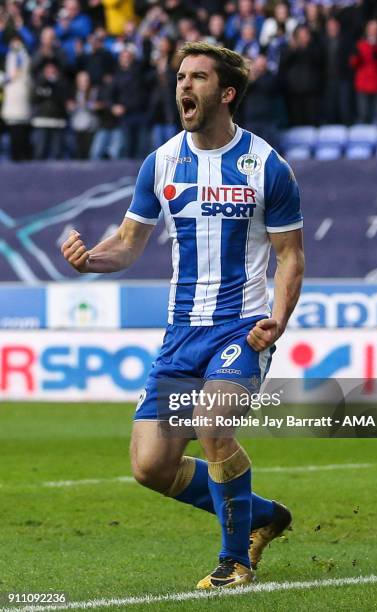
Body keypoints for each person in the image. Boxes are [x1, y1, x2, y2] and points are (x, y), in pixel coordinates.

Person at [61, 42, 304, 590]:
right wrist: (90, 262)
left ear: (226, 92)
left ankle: (234, 560)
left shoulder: (266, 165)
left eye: (196, 77)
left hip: (242, 328)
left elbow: (291, 255)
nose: (183, 87)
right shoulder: (162, 161)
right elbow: (127, 243)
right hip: (181, 335)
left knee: (212, 424)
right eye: (179, 77)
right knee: (151, 466)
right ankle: (263, 514)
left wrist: (279, 319)